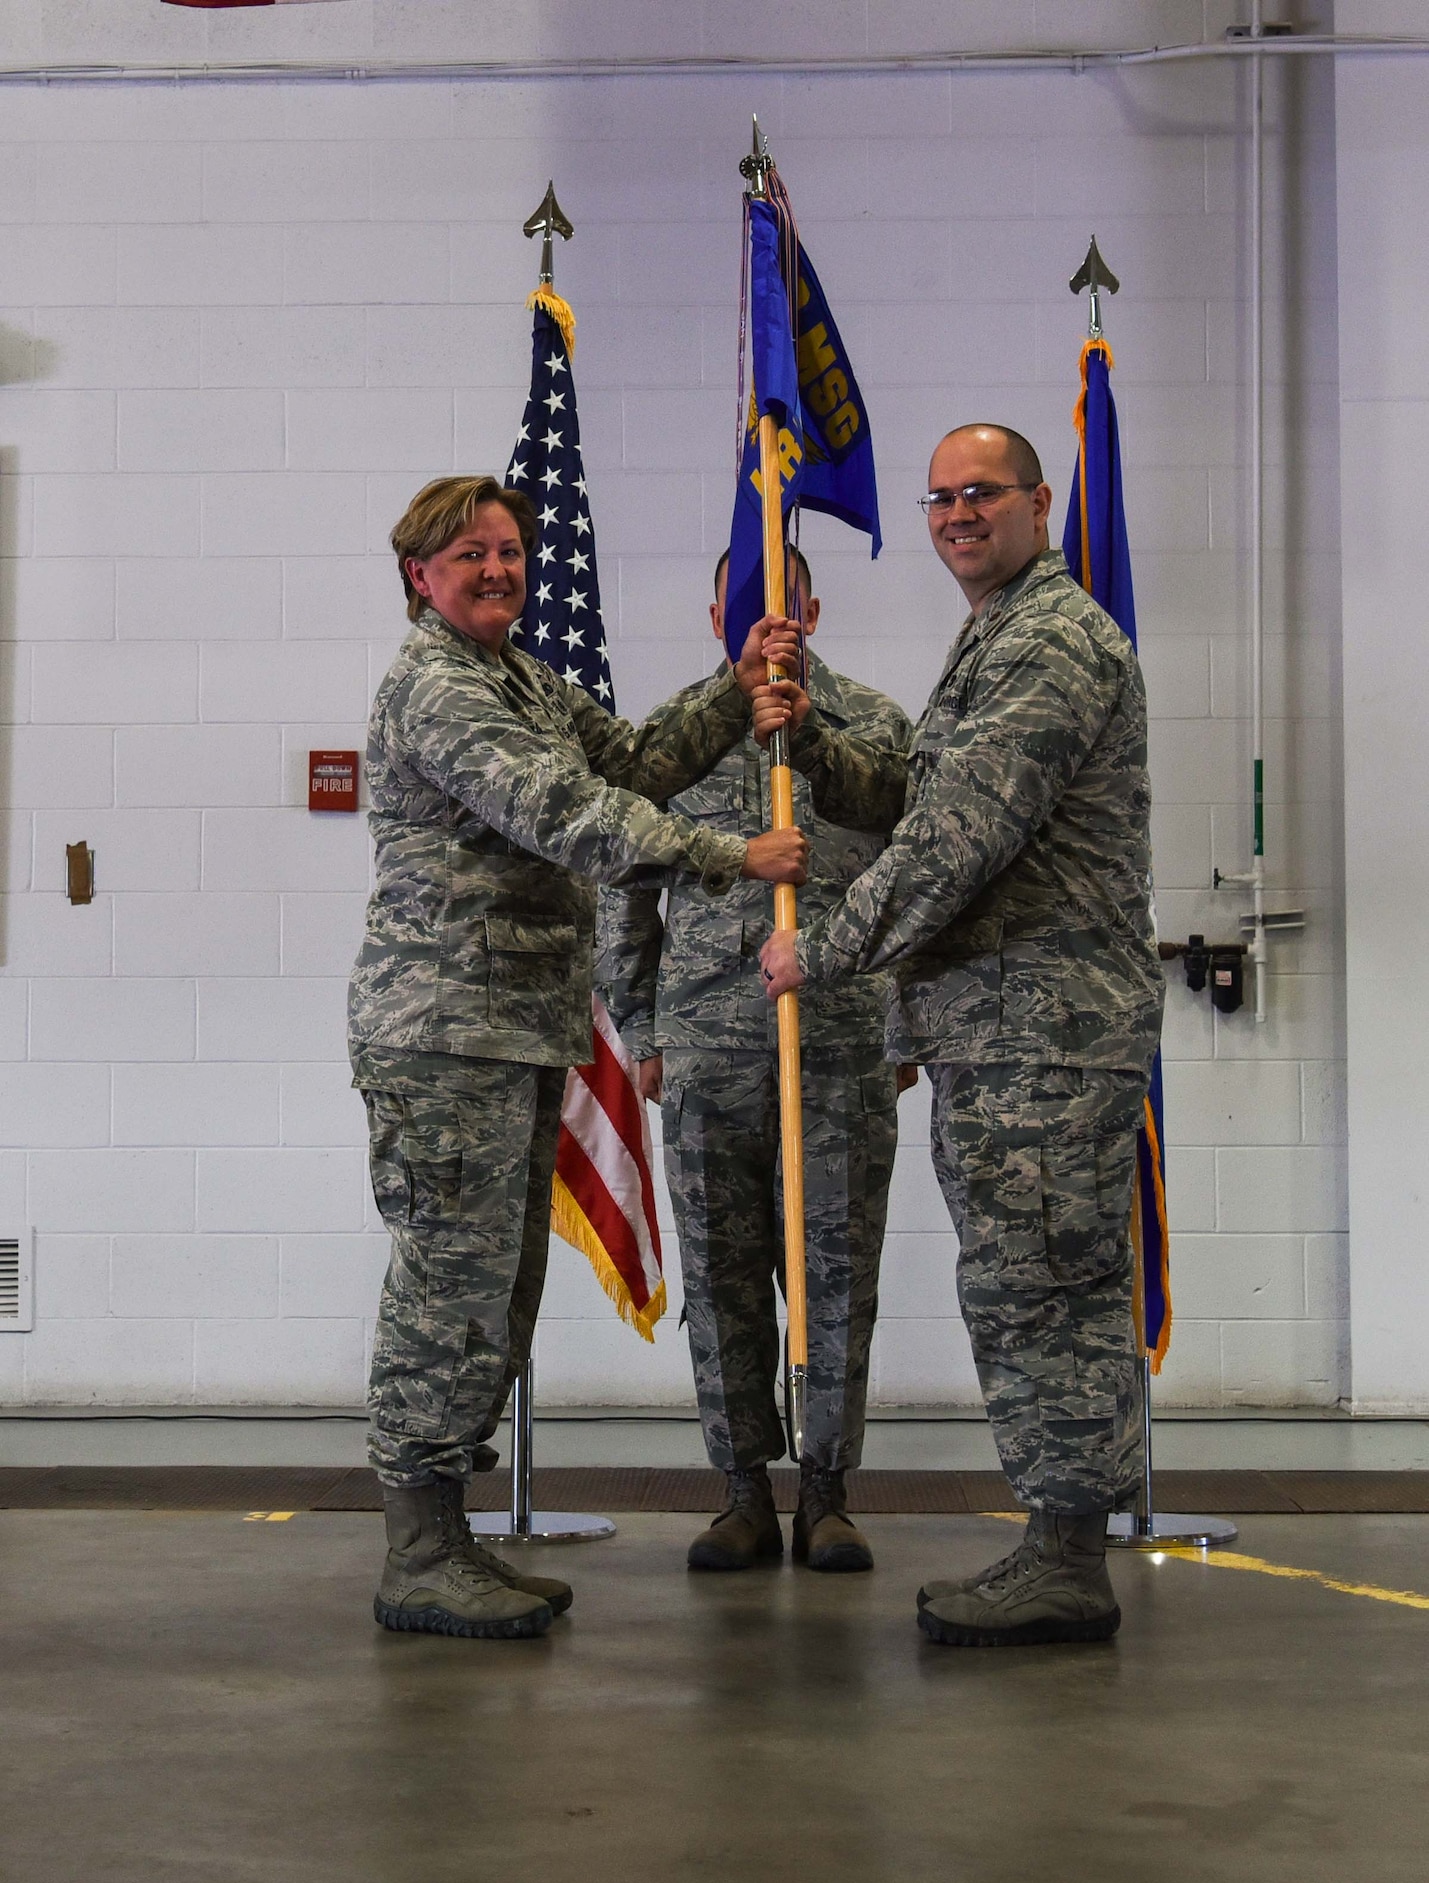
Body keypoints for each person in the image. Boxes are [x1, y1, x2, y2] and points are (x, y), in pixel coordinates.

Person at [349, 474, 808, 1642]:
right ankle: (417, 1549)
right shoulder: (439, 690)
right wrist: (728, 856)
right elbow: (569, 811)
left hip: (507, 1031)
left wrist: (735, 682)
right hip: (446, 1032)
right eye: (469, 557)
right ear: (421, 576)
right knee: (447, 1296)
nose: (497, 570)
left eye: (509, 550)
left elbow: (632, 758)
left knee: (495, 1295)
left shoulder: (521, 679)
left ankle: (449, 1539)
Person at [756, 425, 1164, 1646]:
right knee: (1035, 1283)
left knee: (1040, 1287)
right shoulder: (996, 633)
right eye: (938, 497)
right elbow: (918, 796)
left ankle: (1064, 1556)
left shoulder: (1047, 640)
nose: (953, 512)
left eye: (980, 492)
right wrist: (810, 739)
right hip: (1004, 1026)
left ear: (1040, 502)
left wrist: (818, 949)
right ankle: (1058, 1543)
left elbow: (953, 841)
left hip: (1039, 1028)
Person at [597, 550, 913, 1574]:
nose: (767, 613)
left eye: (784, 593)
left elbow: (920, 874)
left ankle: (826, 1491)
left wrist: (904, 1025)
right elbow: (624, 887)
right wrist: (642, 1029)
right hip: (707, 1045)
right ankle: (740, 1488)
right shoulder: (673, 737)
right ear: (712, 610)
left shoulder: (869, 724)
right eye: (743, 597)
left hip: (839, 1040)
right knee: (722, 1274)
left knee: (833, 1273)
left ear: (813, 607)